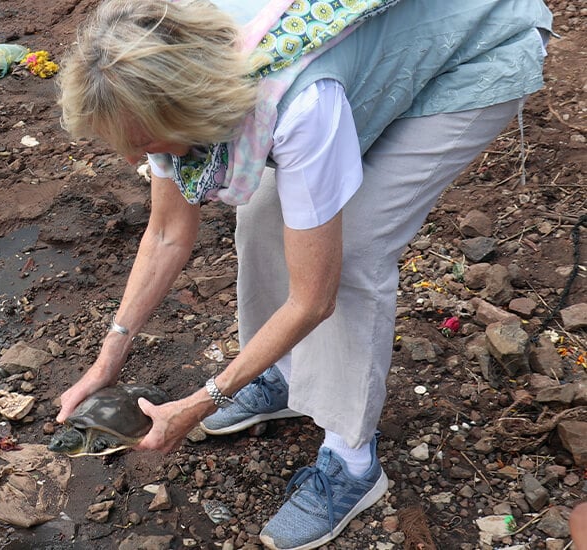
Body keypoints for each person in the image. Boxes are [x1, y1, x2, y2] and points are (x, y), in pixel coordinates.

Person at [54, 0, 552, 548]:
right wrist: (106, 363)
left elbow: (315, 298)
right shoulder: (164, 71)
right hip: (356, 63)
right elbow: (169, 233)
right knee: (262, 217)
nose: (134, 161)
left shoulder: (299, 105)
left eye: (144, 146)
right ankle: (287, 374)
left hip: (470, 53)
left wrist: (205, 399)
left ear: (188, 114)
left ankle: (352, 462)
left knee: (354, 252)